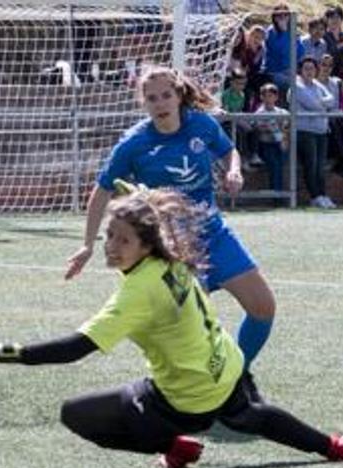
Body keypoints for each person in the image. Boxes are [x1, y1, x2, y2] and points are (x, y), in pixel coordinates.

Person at [0, 187, 343, 468]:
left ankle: (174, 445)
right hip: (229, 368)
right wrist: (141, 203)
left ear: (146, 246)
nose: (111, 246)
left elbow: (77, 347)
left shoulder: (138, 292)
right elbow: (161, 220)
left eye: (122, 240)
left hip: (188, 399)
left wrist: (6, 352)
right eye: (110, 236)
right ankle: (330, 446)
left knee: (77, 415)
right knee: (248, 414)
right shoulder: (174, 257)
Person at [67, 67, 277, 373]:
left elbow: (228, 150)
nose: (160, 103)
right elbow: (101, 192)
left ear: (179, 96)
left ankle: (237, 375)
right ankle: (199, 392)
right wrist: (87, 245)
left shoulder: (201, 125)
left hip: (214, 233)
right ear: (143, 103)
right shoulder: (133, 143)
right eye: (152, 98)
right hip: (174, 247)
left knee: (263, 307)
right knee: (195, 331)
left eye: (166, 95)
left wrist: (235, 171)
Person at [291, 56, 337, 208]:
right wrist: (323, 105)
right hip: (305, 131)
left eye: (312, 68)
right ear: (301, 70)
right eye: (306, 68)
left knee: (320, 166)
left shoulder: (318, 85)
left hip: (321, 130)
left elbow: (332, 99)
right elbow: (313, 106)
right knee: (311, 165)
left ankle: (323, 194)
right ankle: (315, 196)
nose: (310, 71)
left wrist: (321, 104)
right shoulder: (296, 86)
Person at [251, 83, 288, 193]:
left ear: (276, 97)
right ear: (261, 97)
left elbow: (286, 129)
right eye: (265, 96)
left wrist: (284, 140)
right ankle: (277, 193)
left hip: (280, 144)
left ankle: (278, 192)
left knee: (279, 165)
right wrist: (265, 128)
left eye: (271, 96)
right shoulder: (259, 113)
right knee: (275, 165)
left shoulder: (283, 112)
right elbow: (256, 127)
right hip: (266, 144)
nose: (268, 98)